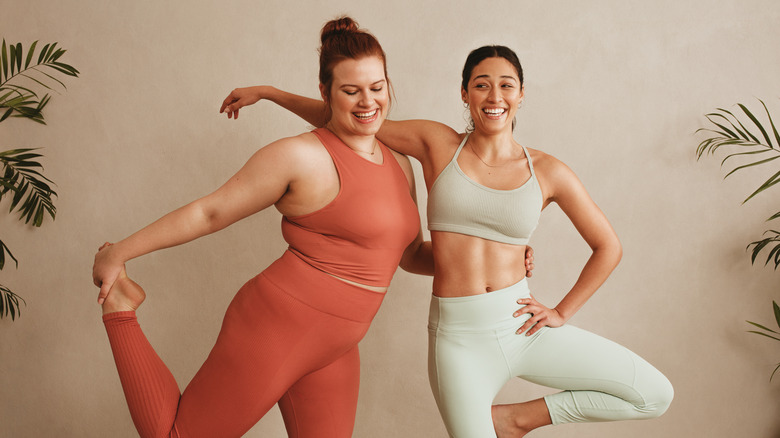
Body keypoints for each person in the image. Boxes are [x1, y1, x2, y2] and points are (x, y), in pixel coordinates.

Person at [222, 44, 673, 438]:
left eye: (506, 85)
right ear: (464, 93)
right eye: (481, 85)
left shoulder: (549, 170)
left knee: (653, 394)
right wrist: (272, 93)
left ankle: (514, 421)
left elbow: (607, 246)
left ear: (521, 94)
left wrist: (561, 311)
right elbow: (350, 118)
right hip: (459, 341)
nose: (494, 97)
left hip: (521, 326)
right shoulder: (438, 143)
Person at [93, 17, 433, 438]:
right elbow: (210, 213)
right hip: (279, 325)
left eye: (377, 87)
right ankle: (121, 309)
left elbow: (412, 256)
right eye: (351, 90)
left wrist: (499, 258)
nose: (368, 101)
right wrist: (119, 252)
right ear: (325, 92)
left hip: (337, 345)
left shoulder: (400, 163)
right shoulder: (299, 156)